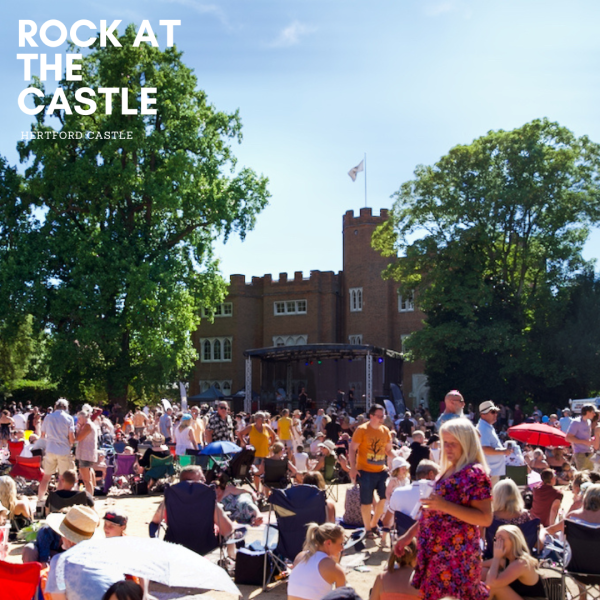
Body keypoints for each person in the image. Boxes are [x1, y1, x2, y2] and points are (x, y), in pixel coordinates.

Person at [396, 418, 493, 600]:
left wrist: (445, 505)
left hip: (456, 555)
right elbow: (434, 510)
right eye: (445, 443)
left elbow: (485, 518)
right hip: (436, 552)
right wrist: (410, 535)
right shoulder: (449, 470)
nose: (447, 448)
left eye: (453, 444)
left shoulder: (476, 474)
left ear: (466, 443)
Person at [348, 404, 395, 539]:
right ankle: (368, 529)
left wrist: (399, 458)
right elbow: (352, 448)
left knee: (384, 499)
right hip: (365, 471)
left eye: (383, 416)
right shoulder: (362, 430)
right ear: (371, 416)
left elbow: (388, 450)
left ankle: (374, 523)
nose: (381, 419)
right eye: (379, 416)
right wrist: (353, 467)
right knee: (366, 502)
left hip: (381, 470)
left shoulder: (385, 431)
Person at [483, 525, 547, 600]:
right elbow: (478, 567)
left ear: (513, 541)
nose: (497, 543)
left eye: (501, 539)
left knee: (494, 587)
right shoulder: (504, 560)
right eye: (495, 539)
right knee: (483, 572)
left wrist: (496, 558)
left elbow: (491, 583)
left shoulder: (522, 563)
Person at [287, 522, 346, 600]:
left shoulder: (300, 556)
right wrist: (336, 564)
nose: (342, 548)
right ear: (328, 543)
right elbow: (344, 596)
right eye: (341, 543)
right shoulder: (334, 568)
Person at [38, 398, 76, 501]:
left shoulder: (48, 417)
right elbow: (71, 438)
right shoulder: (69, 418)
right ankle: (58, 501)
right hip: (63, 450)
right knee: (62, 478)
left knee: (46, 477)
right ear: (66, 407)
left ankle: (40, 500)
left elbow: (42, 435)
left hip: (51, 449)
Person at [476, 401, 511, 486]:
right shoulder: (483, 428)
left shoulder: (487, 426)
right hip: (489, 472)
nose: (496, 414)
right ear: (483, 414)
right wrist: (504, 451)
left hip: (491, 471)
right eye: (492, 412)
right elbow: (484, 449)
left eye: (496, 412)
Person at [0, 475, 33, 540]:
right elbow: (30, 523)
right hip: (20, 535)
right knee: (24, 499)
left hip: (3, 535)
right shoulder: (21, 505)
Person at [75, 408, 99, 496]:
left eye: (79, 419)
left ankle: (89, 498)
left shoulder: (88, 425)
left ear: (84, 418)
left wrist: (78, 430)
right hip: (87, 454)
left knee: (86, 480)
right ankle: (91, 495)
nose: (78, 421)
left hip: (85, 455)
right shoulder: (89, 425)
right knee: (89, 476)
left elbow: (78, 438)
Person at [566, 404, 596, 471]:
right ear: (588, 412)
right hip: (580, 454)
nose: (594, 414)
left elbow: (585, 437)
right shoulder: (576, 422)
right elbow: (568, 438)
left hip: (589, 453)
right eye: (593, 412)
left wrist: (591, 440)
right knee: (583, 476)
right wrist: (584, 442)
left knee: (591, 476)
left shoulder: (589, 422)